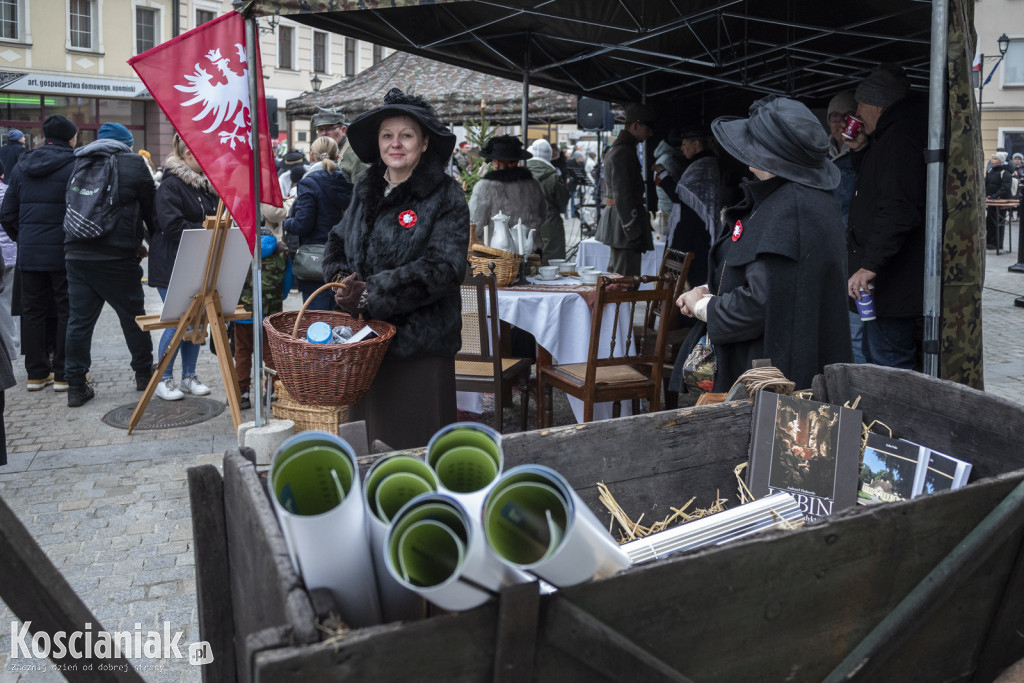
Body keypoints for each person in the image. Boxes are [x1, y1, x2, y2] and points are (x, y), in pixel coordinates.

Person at [669, 96, 852, 394]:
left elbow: (757, 304)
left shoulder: (791, 209)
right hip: (775, 373)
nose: (749, 161)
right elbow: (767, 278)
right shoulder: (793, 200)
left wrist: (701, 305)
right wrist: (710, 287)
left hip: (772, 382)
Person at [321, 87, 469, 449]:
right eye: (388, 135)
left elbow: (444, 267)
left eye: (406, 135)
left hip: (420, 349)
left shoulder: (445, 195)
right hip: (366, 346)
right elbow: (337, 241)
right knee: (370, 444)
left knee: (416, 448)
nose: (395, 144)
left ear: (423, 143)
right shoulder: (365, 189)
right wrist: (343, 284)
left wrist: (373, 292)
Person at [62, 123, 156, 407]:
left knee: (78, 322)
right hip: (117, 256)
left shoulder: (77, 161)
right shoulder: (134, 163)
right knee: (133, 317)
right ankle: (143, 375)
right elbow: (152, 212)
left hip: (76, 253)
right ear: (126, 143)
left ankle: (76, 386)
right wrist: (146, 241)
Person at [844, 63, 928, 369]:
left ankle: (896, 419)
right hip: (887, 283)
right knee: (878, 359)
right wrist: (860, 151)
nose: (858, 111)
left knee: (890, 364)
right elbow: (877, 188)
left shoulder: (899, 138)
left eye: (861, 104)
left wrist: (870, 266)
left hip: (892, 283)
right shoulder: (890, 136)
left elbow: (897, 209)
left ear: (877, 105)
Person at [0, 114, 78, 392]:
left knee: (32, 312)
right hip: (64, 252)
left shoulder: (22, 167)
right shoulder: (74, 166)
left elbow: (7, 213)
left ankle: (35, 374)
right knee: (67, 311)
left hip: (30, 255)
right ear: (71, 139)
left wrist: (25, 240)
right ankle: (64, 374)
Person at [148, 133, 219, 401]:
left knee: (196, 322)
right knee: (178, 321)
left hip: (198, 263)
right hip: (171, 265)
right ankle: (164, 378)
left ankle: (189, 376)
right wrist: (205, 228)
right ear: (188, 155)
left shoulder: (204, 185)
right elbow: (172, 226)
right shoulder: (171, 185)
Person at [284, 135, 354, 310]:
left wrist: (286, 221)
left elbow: (302, 224)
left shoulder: (309, 182)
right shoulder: (349, 182)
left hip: (315, 259)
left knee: (316, 320)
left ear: (312, 156)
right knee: (340, 316)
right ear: (337, 156)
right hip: (345, 256)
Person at [824, 90, 867, 364]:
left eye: (847, 116)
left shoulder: (864, 153)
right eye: (835, 117)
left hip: (855, 257)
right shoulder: (820, 154)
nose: (841, 123)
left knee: (856, 332)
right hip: (830, 254)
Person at [653, 123, 720, 288]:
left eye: (684, 144)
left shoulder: (703, 165)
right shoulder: (701, 163)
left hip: (695, 234)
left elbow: (679, 195)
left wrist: (663, 175)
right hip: (691, 231)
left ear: (696, 144)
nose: (682, 149)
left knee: (690, 279)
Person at [595, 103, 656, 276]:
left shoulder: (621, 149)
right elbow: (622, 195)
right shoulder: (623, 152)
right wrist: (633, 231)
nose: (650, 134)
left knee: (619, 276)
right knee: (625, 280)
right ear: (636, 125)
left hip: (621, 219)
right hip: (624, 220)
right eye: (648, 128)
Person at [234, 227, 289, 410]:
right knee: (270, 353)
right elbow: (287, 286)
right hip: (270, 314)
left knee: (242, 353)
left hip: (243, 315)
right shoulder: (282, 252)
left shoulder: (241, 248)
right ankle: (272, 392)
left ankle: (242, 395)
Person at [467, 135, 546, 251]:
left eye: (496, 160)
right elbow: (543, 215)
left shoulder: (485, 186)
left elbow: (474, 225)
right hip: (531, 251)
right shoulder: (533, 184)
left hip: (497, 255)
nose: (495, 164)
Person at [526, 138, 570, 263]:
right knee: (551, 265)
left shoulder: (521, 173)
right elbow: (562, 203)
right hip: (549, 224)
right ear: (549, 155)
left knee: (527, 262)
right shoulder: (553, 176)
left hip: (524, 223)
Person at [312, 107, 370, 185]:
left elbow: (362, 191)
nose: (324, 133)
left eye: (329, 128)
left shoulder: (356, 153)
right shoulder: (318, 151)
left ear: (343, 130)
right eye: (320, 130)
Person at [0, 161, 18, 359]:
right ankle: (10, 351)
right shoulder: (6, 192)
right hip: (8, 255)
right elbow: (12, 218)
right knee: (5, 305)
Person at [653, 129, 686, 216]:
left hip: (666, 207)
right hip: (670, 209)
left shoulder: (665, 158)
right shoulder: (669, 161)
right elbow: (674, 187)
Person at [985, 151, 1013, 250]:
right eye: (992, 158)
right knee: (989, 222)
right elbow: (986, 185)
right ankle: (989, 242)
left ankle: (997, 243)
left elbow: (1005, 188)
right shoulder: (990, 171)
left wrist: (994, 197)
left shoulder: (1005, 172)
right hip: (991, 201)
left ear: (1001, 161)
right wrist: (986, 196)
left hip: (1000, 201)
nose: (993, 160)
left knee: (998, 222)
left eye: (995, 159)